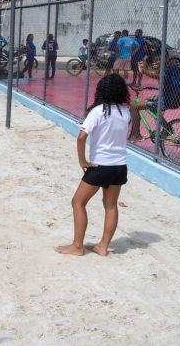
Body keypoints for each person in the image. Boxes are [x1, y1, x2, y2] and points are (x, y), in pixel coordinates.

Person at [56, 74, 130, 257]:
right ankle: (103, 246)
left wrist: (82, 161)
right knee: (111, 206)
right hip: (120, 166)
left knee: (78, 202)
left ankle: (77, 246)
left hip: (100, 166)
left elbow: (81, 137)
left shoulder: (98, 111)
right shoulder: (126, 112)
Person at [128, 61, 180, 142]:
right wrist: (155, 97)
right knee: (149, 101)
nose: (154, 64)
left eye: (158, 62)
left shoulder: (166, 71)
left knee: (134, 106)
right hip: (173, 99)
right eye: (154, 62)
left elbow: (158, 76)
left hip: (166, 101)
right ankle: (165, 128)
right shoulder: (171, 70)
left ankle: (137, 135)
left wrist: (144, 71)